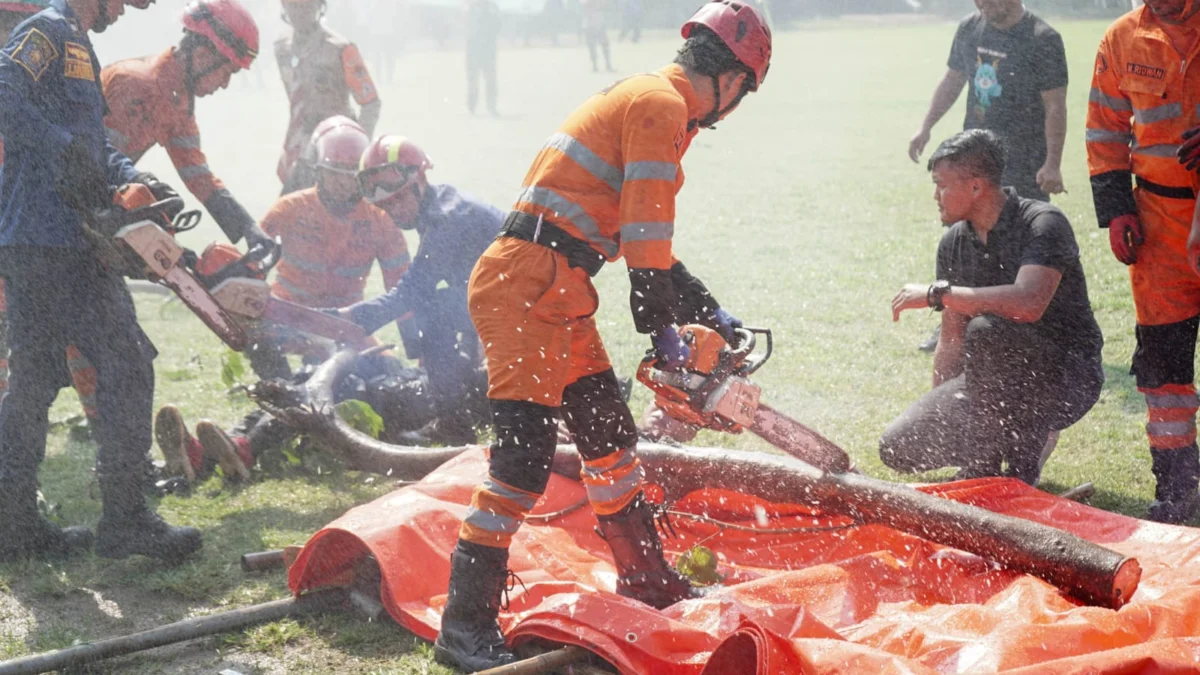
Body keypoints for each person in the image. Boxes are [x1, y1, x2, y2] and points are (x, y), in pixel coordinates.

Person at [432, 2, 772, 669]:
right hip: (527, 285)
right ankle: (464, 623)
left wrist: (704, 305)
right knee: (522, 463)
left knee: (610, 439)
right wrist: (663, 328)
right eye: (743, 93)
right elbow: (647, 241)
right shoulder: (661, 107)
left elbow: (644, 236)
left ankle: (645, 575)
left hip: (559, 285)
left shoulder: (648, 101)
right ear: (733, 80)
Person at [0, 0, 205, 564]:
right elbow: (3, 94)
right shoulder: (46, 28)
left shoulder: (80, 47)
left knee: (34, 381)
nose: (123, 10)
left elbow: (90, 149)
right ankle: (125, 522)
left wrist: (133, 176)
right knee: (128, 363)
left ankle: (13, 526)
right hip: (51, 238)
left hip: (48, 240)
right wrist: (63, 149)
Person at [885, 130, 1104, 486]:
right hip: (992, 381)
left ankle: (1011, 471)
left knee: (989, 330)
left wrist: (939, 293)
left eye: (941, 185)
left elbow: (1028, 303)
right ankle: (989, 461)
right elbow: (951, 340)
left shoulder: (1043, 223)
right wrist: (940, 404)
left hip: (1067, 378)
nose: (935, 196)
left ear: (975, 187)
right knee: (897, 447)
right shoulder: (954, 242)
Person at [1088, 0, 1200, 522]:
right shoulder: (1121, 38)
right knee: (1163, 363)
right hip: (1156, 224)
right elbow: (1105, 130)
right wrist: (1116, 210)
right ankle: (1178, 491)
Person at [908, 0, 1068, 353]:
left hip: (1025, 164)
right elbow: (953, 80)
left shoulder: (1044, 39)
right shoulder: (970, 27)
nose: (981, 5)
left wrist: (1053, 163)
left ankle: (1034, 329)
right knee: (962, 238)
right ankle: (950, 319)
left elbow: (1055, 105)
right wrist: (926, 128)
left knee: (1022, 246)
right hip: (975, 162)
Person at [243, 116, 410, 380]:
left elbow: (404, 292)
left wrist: (420, 350)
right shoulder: (288, 210)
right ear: (318, 171)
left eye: (351, 176)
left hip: (344, 325)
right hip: (287, 321)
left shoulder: (382, 220)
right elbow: (249, 276)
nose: (343, 183)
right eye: (335, 174)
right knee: (261, 346)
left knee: (391, 372)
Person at [102, 0, 272, 248]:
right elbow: (95, 161)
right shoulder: (137, 84)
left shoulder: (177, 101)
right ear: (204, 54)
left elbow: (199, 177)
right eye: (227, 72)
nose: (224, 84)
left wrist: (248, 229)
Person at [275, 0, 380, 195]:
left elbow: (371, 103)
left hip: (336, 144)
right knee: (289, 212)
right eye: (293, 5)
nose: (299, 12)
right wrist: (290, 147)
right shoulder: (282, 48)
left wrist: (357, 147)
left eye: (306, 5)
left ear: (318, 6)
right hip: (301, 143)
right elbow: (296, 104)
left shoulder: (341, 49)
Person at [465, 0, 499, 116]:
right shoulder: (470, 7)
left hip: (487, 49)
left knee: (490, 79)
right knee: (473, 79)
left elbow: (498, 26)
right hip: (474, 48)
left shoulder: (492, 8)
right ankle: (472, 106)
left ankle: (491, 106)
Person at [581, 0, 612, 72]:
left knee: (604, 45)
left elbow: (604, 4)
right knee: (592, 46)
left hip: (598, 23)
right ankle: (596, 66)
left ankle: (607, 64)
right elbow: (586, 6)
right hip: (590, 25)